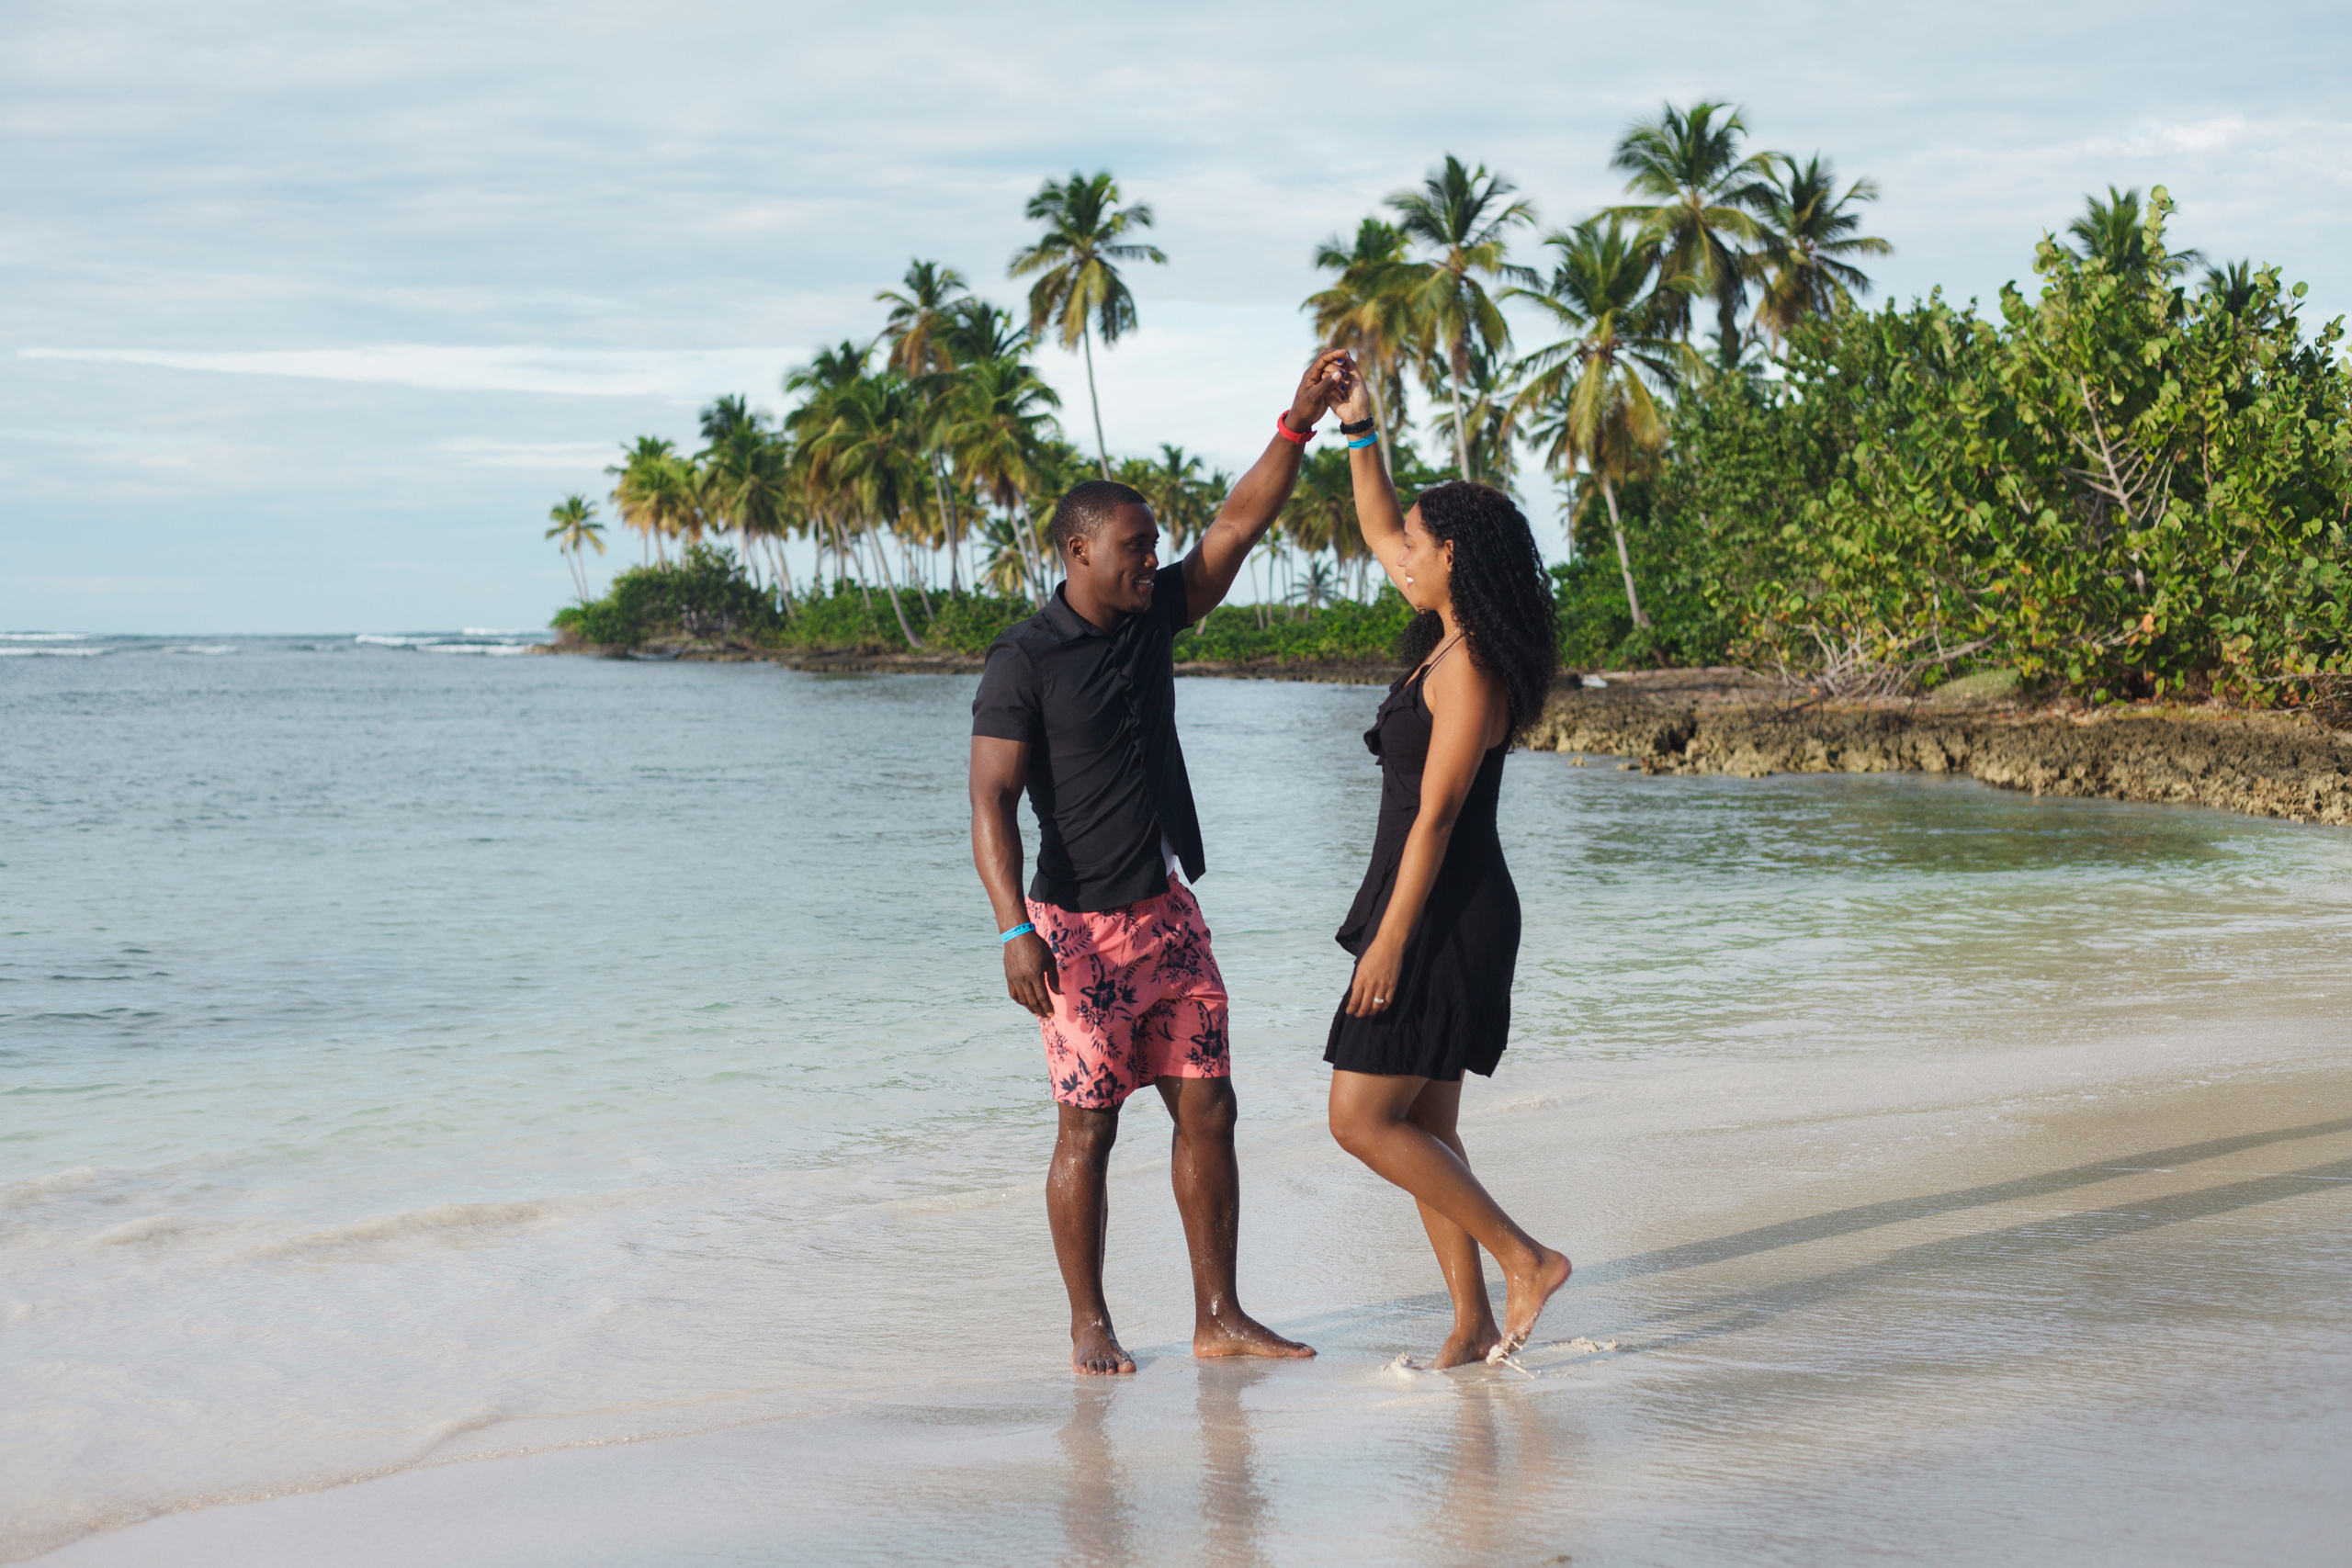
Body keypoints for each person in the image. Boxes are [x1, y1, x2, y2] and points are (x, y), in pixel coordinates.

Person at [968, 350, 1351, 1375]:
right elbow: (990, 803)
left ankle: (1218, 1314)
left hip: (1167, 915)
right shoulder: (1023, 660)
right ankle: (1088, 1319)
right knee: (1087, 1135)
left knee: (1209, 1107)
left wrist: (1299, 420)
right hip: (1074, 934)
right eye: (1134, 548)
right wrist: (1013, 930)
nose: (1152, 560)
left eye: (1153, 548)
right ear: (1078, 551)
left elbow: (1237, 527)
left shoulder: (1150, 623)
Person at [1319, 364, 1573, 1369]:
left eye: (1416, 550)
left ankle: (1526, 1256)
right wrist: (1358, 427)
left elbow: (1434, 820)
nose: (1395, 559)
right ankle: (1468, 1325)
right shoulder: (1446, 638)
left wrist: (1387, 943)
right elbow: (1381, 519)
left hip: (1441, 912)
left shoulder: (1469, 669)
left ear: (1453, 555)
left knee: (1360, 1118)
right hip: (1426, 905)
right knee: (1423, 1124)